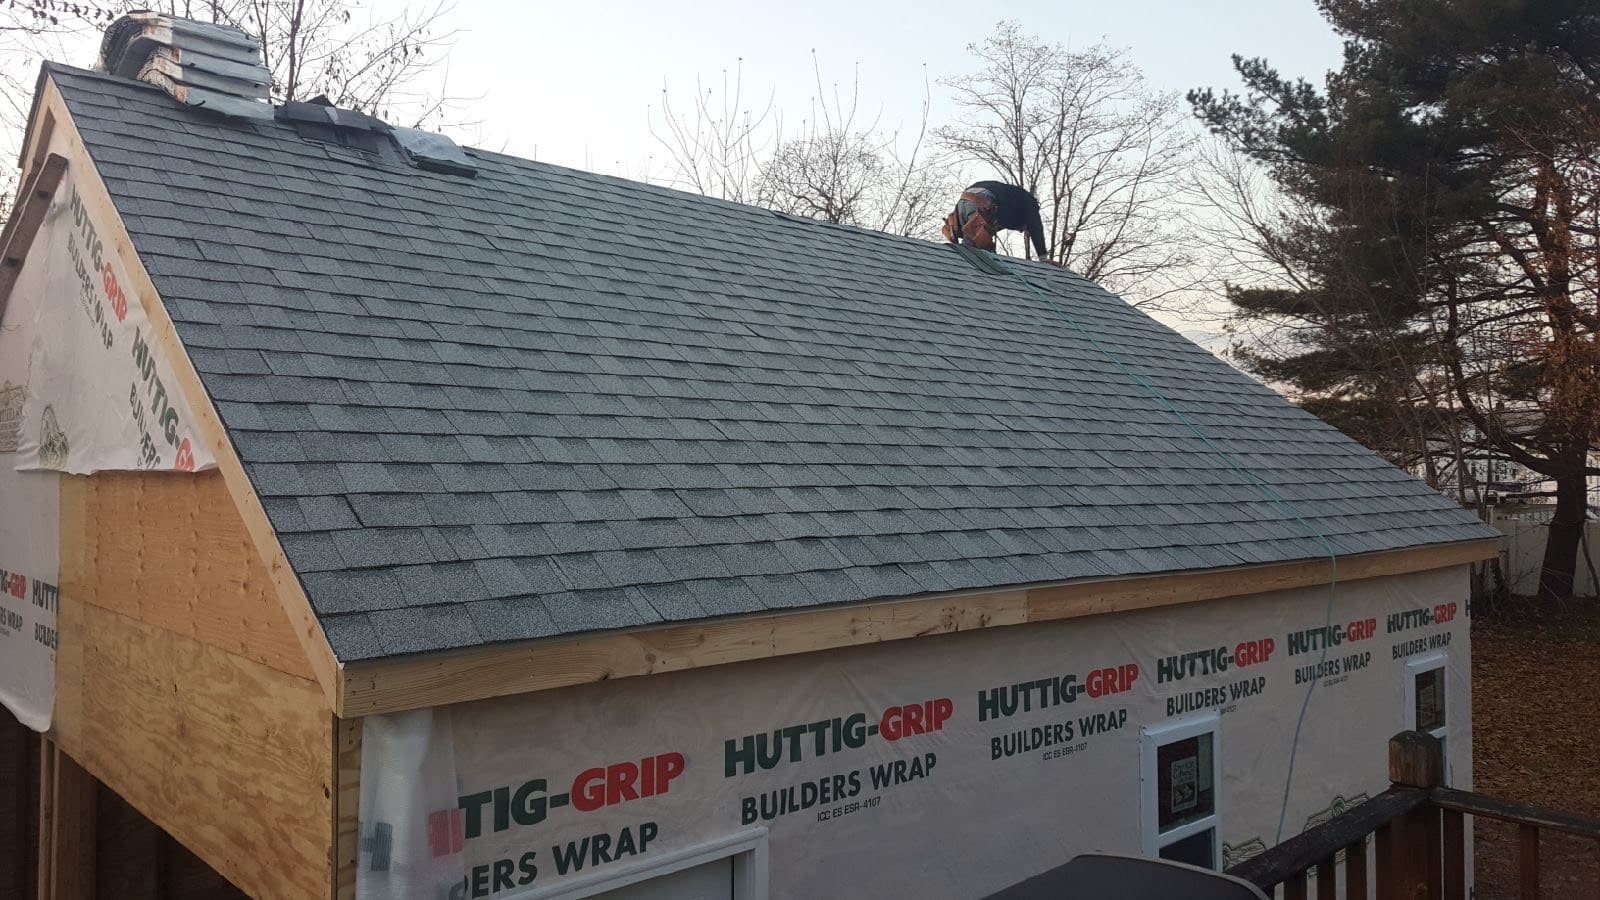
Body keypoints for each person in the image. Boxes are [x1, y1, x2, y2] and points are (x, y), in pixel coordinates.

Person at [942, 180, 1052, 261]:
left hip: (963, 202)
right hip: (983, 202)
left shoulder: (1010, 202)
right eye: (1024, 228)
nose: (1021, 231)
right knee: (974, 254)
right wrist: (1043, 257)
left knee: (975, 250)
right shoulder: (1030, 204)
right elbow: (1036, 227)